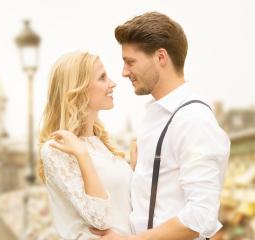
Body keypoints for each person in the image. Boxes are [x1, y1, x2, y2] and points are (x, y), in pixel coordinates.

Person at [89, 11, 230, 240]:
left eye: (130, 61)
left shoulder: (193, 120)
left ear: (160, 57)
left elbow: (201, 215)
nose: (124, 72)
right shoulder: (156, 116)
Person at [39, 51, 135, 239]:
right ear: (78, 89)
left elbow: (123, 209)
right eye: (102, 77)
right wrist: (82, 155)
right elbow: (99, 220)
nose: (112, 83)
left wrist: (136, 169)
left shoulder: (103, 144)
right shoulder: (55, 149)